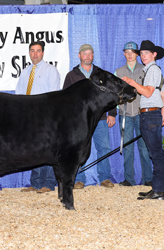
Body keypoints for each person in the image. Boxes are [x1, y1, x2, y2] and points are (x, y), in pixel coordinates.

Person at [63, 44, 116, 189]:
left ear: (93, 55)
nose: (87, 56)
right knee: (79, 149)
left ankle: (104, 178)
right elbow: (65, 98)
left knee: (104, 147)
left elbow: (110, 94)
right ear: (79, 56)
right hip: (80, 121)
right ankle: (79, 179)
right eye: (84, 54)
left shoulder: (101, 74)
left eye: (90, 53)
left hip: (100, 118)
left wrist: (111, 113)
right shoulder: (71, 76)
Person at [122, 40, 164, 200]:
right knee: (154, 153)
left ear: (154, 54)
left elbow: (148, 93)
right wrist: (163, 115)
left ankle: (159, 191)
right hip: (152, 115)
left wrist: (132, 83)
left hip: (149, 115)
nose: (143, 56)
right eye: (141, 53)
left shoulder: (153, 70)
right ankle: (157, 188)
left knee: (155, 154)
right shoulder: (152, 70)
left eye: (146, 53)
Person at [16, 41, 60, 194]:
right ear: (29, 53)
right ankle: (35, 183)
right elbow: (19, 95)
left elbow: (55, 97)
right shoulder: (25, 72)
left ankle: (48, 183)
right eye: (32, 51)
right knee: (34, 151)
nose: (35, 54)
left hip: (46, 118)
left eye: (38, 51)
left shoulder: (50, 70)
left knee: (48, 150)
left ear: (43, 53)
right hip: (29, 119)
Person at [115, 42, 152, 187]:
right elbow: (114, 94)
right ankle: (129, 179)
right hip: (125, 114)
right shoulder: (118, 72)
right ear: (124, 54)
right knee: (127, 147)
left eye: (132, 52)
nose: (130, 55)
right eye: (127, 52)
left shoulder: (145, 70)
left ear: (137, 54)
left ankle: (148, 178)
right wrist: (118, 106)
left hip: (141, 113)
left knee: (144, 147)